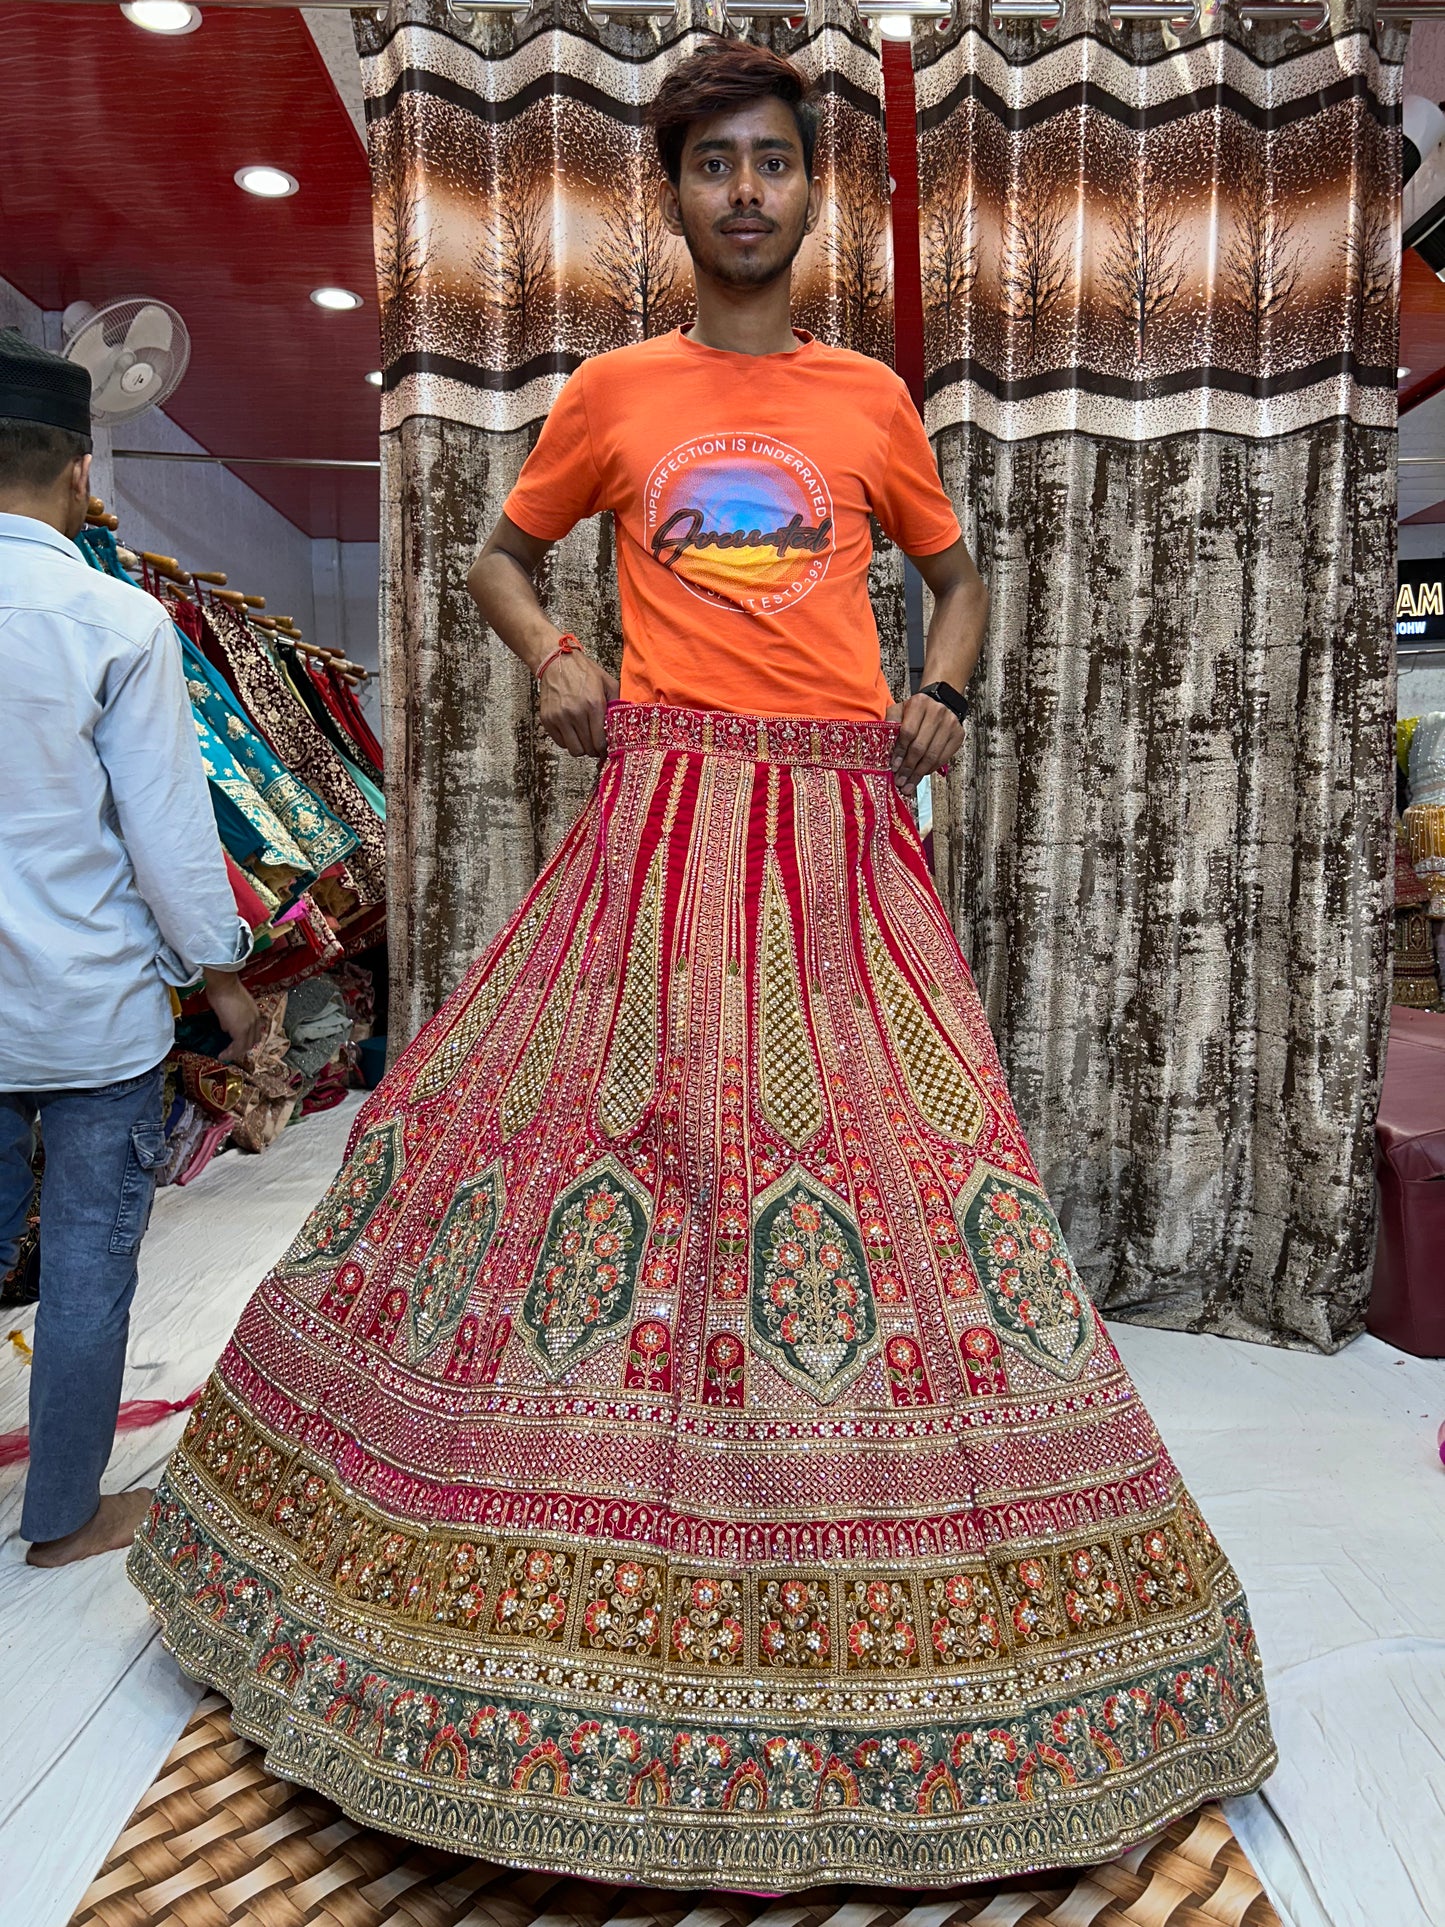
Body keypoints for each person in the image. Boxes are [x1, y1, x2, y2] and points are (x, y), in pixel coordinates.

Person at [130, 43, 1273, 1887]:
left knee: (903, 1187)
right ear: (673, 199)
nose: (745, 192)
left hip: (836, 840)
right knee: (595, 1176)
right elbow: (503, 559)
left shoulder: (870, 403)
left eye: (771, 165)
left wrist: (948, 689)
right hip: (661, 825)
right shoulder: (616, 391)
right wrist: (553, 653)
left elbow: (962, 581)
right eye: (714, 167)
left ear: (816, 194)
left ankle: (879, 1616)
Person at [0, 330, 266, 1569]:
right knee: (90, 1264)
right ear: (80, 473)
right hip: (89, 1013)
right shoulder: (117, 620)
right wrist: (222, 973)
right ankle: (63, 1515)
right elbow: (168, 832)